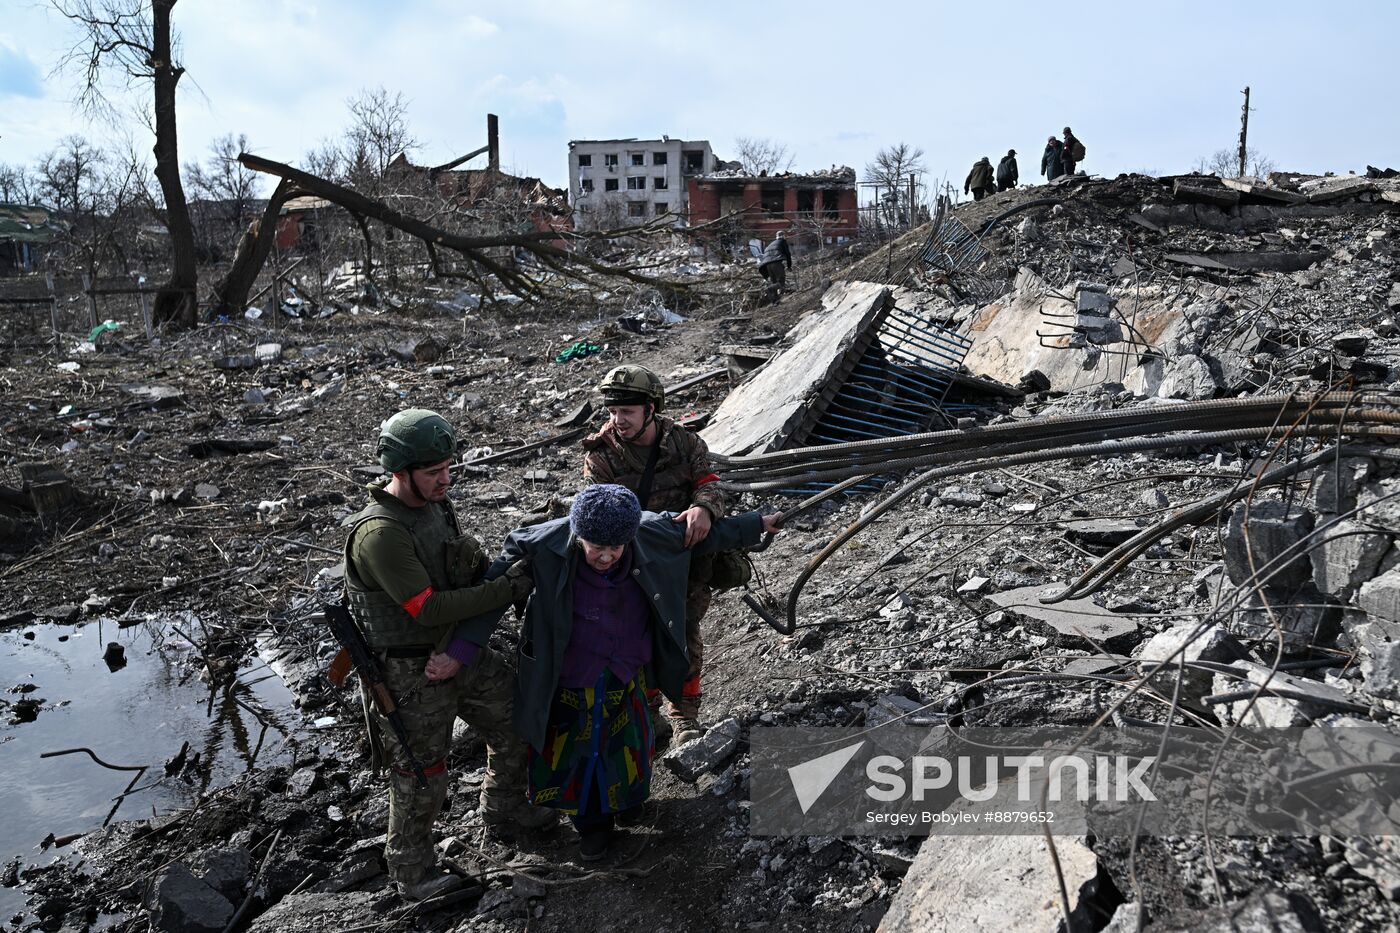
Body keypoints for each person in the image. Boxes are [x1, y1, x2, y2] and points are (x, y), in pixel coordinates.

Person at [456, 484, 780, 861]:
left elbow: (705, 535)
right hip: (570, 677)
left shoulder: (649, 531)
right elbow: (494, 589)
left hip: (626, 672)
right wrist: (461, 650)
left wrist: (757, 524)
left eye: (616, 548)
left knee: (629, 745)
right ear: (579, 536)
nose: (607, 557)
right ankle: (592, 828)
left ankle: (628, 803)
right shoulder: (543, 544)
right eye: (597, 547)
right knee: (578, 756)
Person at [343, 408, 555, 902]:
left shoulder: (436, 506)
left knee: (517, 724)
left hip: (458, 653)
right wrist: (506, 589)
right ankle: (412, 874)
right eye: (433, 472)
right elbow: (429, 608)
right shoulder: (381, 534)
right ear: (400, 472)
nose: (445, 479)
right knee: (422, 776)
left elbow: (459, 572)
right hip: (409, 674)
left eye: (447, 468)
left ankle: (504, 809)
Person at [581, 364, 727, 747]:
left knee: (684, 632)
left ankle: (684, 716)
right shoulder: (601, 455)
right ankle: (648, 714)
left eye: (627, 411)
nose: (618, 420)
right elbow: (595, 511)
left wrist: (704, 508)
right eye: (613, 412)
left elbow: (710, 483)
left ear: (651, 408)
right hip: (630, 565)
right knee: (636, 638)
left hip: (685, 561)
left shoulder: (684, 443)